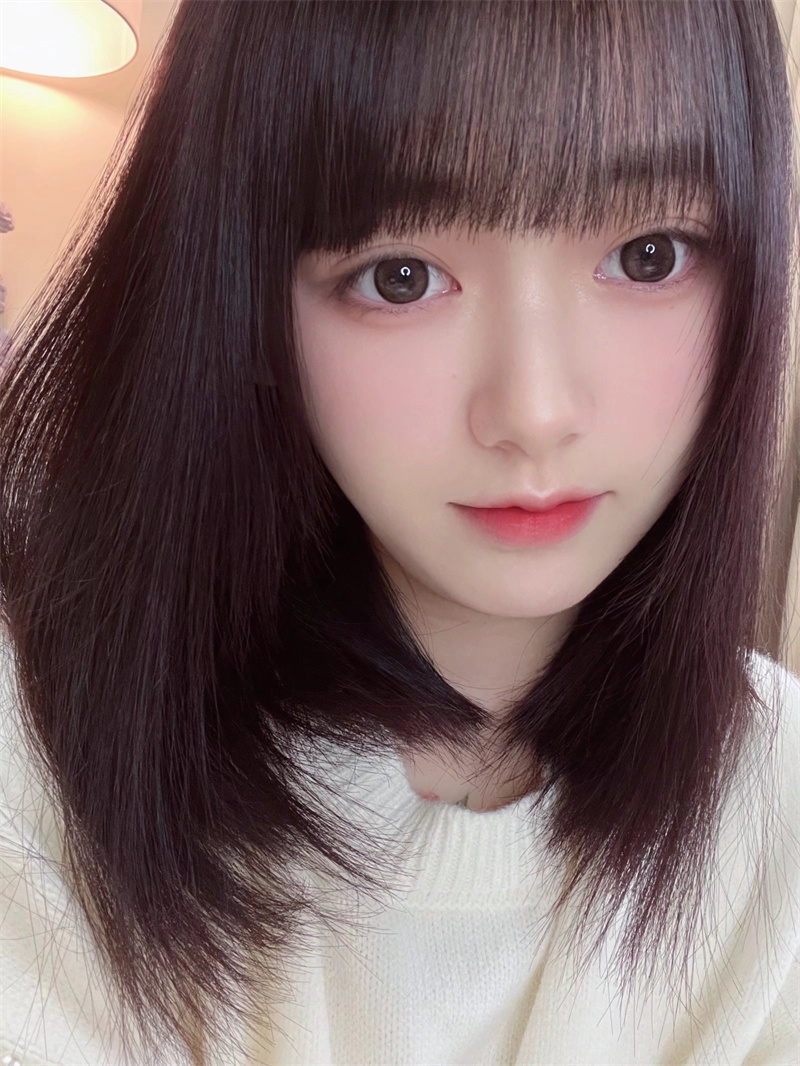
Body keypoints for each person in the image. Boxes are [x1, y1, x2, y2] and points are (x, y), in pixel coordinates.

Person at [0, 1, 798, 1063]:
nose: (534, 412)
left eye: (648, 255)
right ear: (245, 308)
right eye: (400, 276)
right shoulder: (39, 764)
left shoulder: (778, 809)